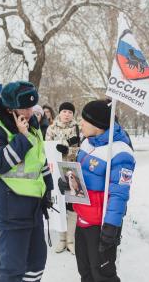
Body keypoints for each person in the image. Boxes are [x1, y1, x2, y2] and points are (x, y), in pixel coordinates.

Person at [0, 81, 54, 282]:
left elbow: (40, 161)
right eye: (24, 107)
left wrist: (48, 189)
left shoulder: (31, 123)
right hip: (11, 206)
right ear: (10, 107)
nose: (29, 112)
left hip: (34, 207)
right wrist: (23, 137)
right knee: (13, 267)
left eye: (31, 106)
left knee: (36, 262)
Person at [58, 100, 135, 282]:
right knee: (84, 270)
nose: (81, 123)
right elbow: (80, 178)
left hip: (101, 225)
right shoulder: (87, 143)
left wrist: (111, 226)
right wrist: (68, 184)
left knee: (102, 274)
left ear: (98, 125)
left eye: (85, 120)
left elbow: (119, 194)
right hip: (82, 219)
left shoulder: (120, 151)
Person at [45, 101, 80, 254]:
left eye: (70, 112)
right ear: (59, 113)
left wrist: (68, 151)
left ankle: (71, 240)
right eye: (64, 111)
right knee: (59, 204)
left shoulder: (77, 127)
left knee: (72, 205)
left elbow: (80, 148)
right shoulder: (51, 128)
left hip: (72, 168)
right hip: (56, 170)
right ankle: (62, 239)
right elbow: (47, 147)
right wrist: (58, 150)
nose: (67, 114)